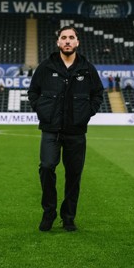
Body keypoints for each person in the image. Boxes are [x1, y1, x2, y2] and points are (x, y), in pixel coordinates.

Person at [28, 25, 105, 232]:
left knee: (73, 175)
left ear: (77, 42)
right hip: (51, 129)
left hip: (76, 131)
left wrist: (86, 113)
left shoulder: (87, 68)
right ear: (58, 42)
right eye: (64, 37)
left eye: (71, 37)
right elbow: (33, 92)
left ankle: (68, 217)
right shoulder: (46, 67)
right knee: (46, 167)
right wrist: (42, 111)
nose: (68, 41)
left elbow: (98, 94)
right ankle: (49, 212)